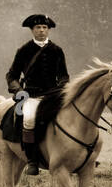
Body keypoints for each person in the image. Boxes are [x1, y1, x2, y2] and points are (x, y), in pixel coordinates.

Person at [7, 14, 69, 174]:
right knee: (28, 119)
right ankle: (32, 160)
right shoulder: (24, 50)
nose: (41, 30)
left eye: (44, 27)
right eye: (38, 28)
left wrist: (63, 87)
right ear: (32, 30)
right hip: (32, 96)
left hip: (54, 95)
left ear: (48, 30)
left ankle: (79, 154)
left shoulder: (57, 50)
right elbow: (12, 75)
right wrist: (19, 91)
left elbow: (63, 76)